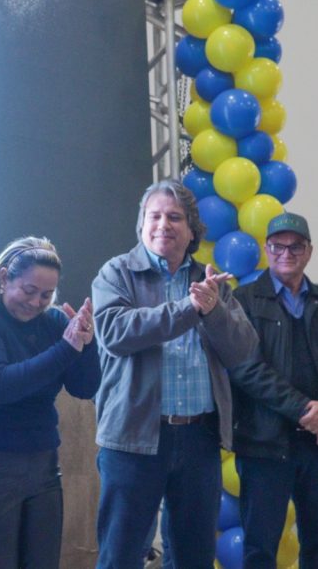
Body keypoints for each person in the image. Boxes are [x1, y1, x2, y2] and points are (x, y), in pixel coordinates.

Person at [91, 179, 257, 569]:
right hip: (133, 438)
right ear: (142, 224)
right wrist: (190, 309)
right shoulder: (117, 272)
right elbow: (116, 333)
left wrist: (213, 310)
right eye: (155, 216)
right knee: (121, 556)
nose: (163, 224)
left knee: (193, 557)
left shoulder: (210, 281)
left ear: (192, 229)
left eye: (175, 217)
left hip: (199, 438)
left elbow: (243, 349)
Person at [0, 237, 99, 569]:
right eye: (28, 290)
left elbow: (84, 387)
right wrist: (67, 348)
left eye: (46, 295)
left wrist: (87, 344)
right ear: (4, 278)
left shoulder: (56, 322)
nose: (36, 302)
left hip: (43, 468)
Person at [229, 213, 318, 569]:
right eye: (278, 245)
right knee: (259, 547)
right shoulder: (242, 302)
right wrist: (308, 411)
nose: (286, 252)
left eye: (296, 246)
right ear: (266, 249)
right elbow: (246, 369)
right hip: (263, 445)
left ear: (309, 251)